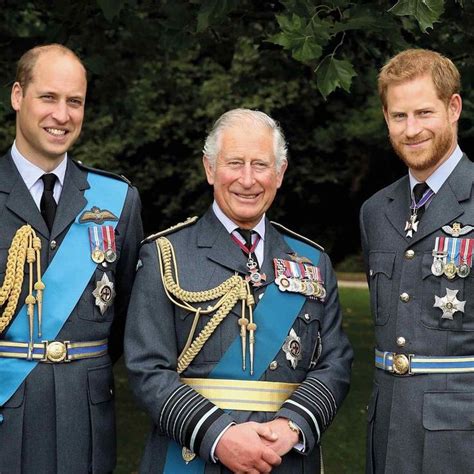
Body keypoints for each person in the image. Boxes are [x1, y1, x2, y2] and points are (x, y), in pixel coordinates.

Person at [125, 108, 353, 473]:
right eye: (234, 163)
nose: (247, 180)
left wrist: (292, 424)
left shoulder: (312, 261)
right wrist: (219, 436)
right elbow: (146, 368)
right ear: (210, 168)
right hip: (193, 455)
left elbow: (336, 362)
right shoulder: (165, 255)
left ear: (279, 174)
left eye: (260, 165)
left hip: (285, 458)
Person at [0, 44, 143, 473]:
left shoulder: (117, 200)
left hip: (84, 420)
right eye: (48, 97)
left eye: (74, 102)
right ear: (17, 96)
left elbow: (126, 319)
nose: (62, 115)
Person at [360, 48, 472, 473]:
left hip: (460, 442)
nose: (411, 130)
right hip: (386, 431)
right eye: (399, 116)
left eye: (424, 113)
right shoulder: (376, 210)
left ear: (453, 107)